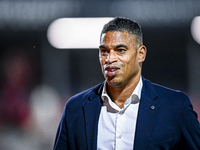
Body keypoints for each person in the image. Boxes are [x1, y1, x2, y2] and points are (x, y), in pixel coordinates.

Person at [53, 17, 200, 150]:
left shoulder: (175, 106)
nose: (110, 59)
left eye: (120, 50)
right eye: (104, 51)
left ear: (141, 54)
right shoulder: (76, 108)